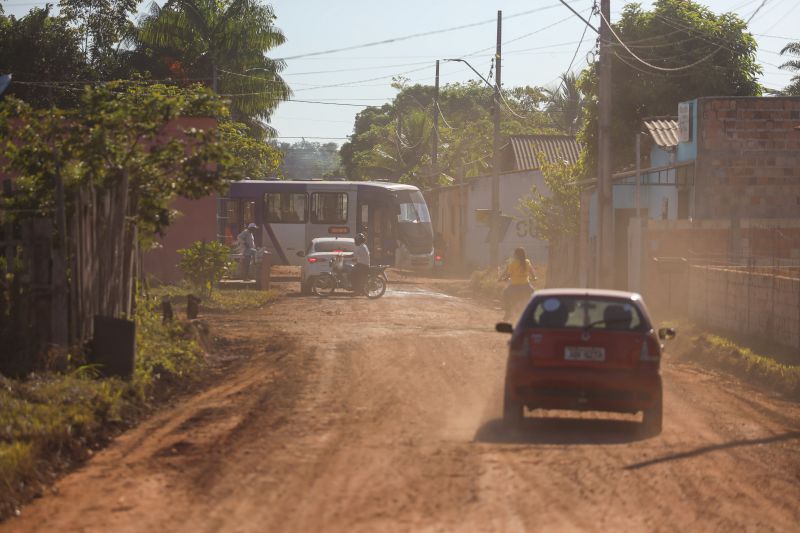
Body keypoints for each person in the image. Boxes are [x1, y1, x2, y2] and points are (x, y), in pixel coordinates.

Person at [500, 247, 537, 320]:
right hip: (526, 286)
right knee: (534, 295)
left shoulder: (513, 263)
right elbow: (532, 272)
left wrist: (505, 279)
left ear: (515, 254)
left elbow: (508, 274)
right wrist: (534, 278)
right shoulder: (527, 262)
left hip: (515, 286)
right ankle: (533, 313)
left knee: (505, 293)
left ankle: (508, 312)